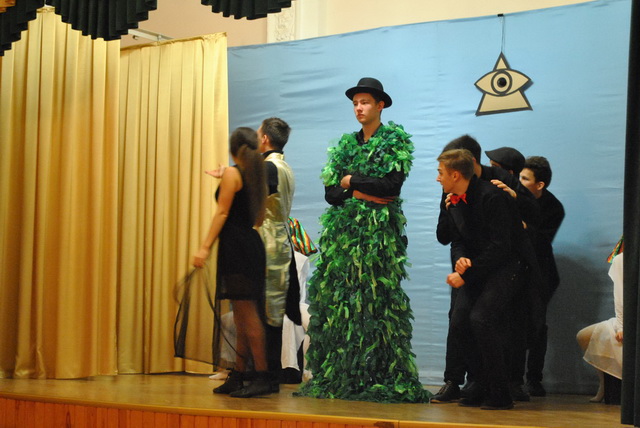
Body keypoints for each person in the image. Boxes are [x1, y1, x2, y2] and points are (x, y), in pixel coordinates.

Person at [297, 77, 430, 403]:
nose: (359, 108)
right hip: (344, 238)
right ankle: (345, 374)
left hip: (379, 239)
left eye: (365, 102)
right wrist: (360, 191)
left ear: (380, 105)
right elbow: (331, 194)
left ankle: (379, 374)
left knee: (376, 304)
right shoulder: (345, 145)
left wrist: (351, 181)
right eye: (355, 103)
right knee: (343, 304)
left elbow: (391, 187)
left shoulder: (394, 141)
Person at [432, 137, 539, 404]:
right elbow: (455, 238)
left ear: (456, 174)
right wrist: (461, 260)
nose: (437, 178)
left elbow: (502, 247)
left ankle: (500, 391)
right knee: (460, 321)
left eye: (440, 173)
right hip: (480, 267)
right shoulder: (454, 197)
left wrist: (467, 272)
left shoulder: (493, 194)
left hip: (508, 266)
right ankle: (477, 384)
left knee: (482, 318)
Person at [192, 127, 271, 398]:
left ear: (234, 148)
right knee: (241, 314)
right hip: (250, 245)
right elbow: (257, 219)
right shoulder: (255, 176)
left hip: (236, 248)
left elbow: (222, 212)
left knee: (247, 315)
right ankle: (239, 374)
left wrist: (204, 247)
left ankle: (261, 376)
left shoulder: (233, 174)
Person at [257, 117, 301, 391]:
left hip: (268, 241)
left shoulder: (268, 168)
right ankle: (265, 372)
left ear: (264, 138)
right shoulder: (285, 167)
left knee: (267, 311)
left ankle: (267, 374)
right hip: (279, 238)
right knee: (271, 309)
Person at [518, 156, 565, 397]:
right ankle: (511, 379)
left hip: (541, 272)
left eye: (525, 178)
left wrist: (525, 227)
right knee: (511, 324)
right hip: (515, 269)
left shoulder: (553, 207)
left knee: (536, 325)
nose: (519, 182)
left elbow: (543, 242)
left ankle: (534, 379)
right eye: (519, 176)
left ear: (540, 185)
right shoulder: (511, 197)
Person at [576, 238, 624, 402]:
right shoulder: (622, 260)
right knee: (585, 336)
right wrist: (621, 326)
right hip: (626, 320)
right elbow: (620, 297)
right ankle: (603, 384)